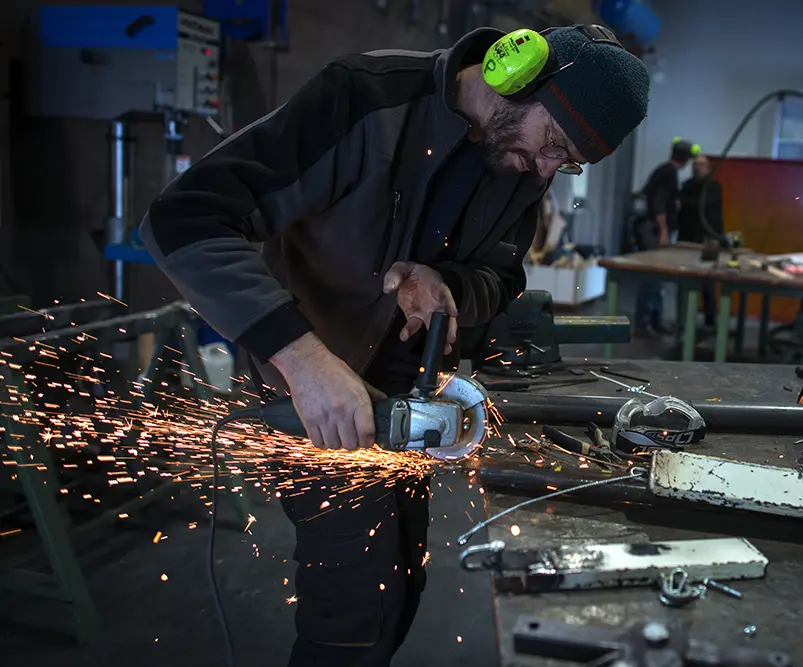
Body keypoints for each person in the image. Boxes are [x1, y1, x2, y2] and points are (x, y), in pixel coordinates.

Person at [139, 24, 649, 667]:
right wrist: (302, 359)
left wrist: (450, 286)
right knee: (353, 606)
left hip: (405, 400)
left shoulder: (519, 158)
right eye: (552, 145)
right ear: (517, 76)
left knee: (400, 579)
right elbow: (183, 218)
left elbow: (502, 276)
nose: (546, 170)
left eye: (566, 162)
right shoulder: (365, 100)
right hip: (311, 386)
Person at [633, 138, 696, 336]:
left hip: (650, 227)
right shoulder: (669, 174)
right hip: (655, 231)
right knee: (652, 277)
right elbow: (659, 204)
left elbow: (645, 195)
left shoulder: (662, 170)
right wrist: (663, 231)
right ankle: (643, 324)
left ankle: (655, 320)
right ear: (685, 159)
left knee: (658, 278)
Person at [678, 154, 724, 327]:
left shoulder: (713, 187)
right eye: (695, 165)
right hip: (688, 238)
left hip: (708, 240)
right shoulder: (687, 186)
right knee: (686, 282)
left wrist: (683, 204)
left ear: (708, 168)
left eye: (701, 165)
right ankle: (684, 320)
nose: (697, 168)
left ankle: (710, 321)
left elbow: (702, 204)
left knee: (707, 283)